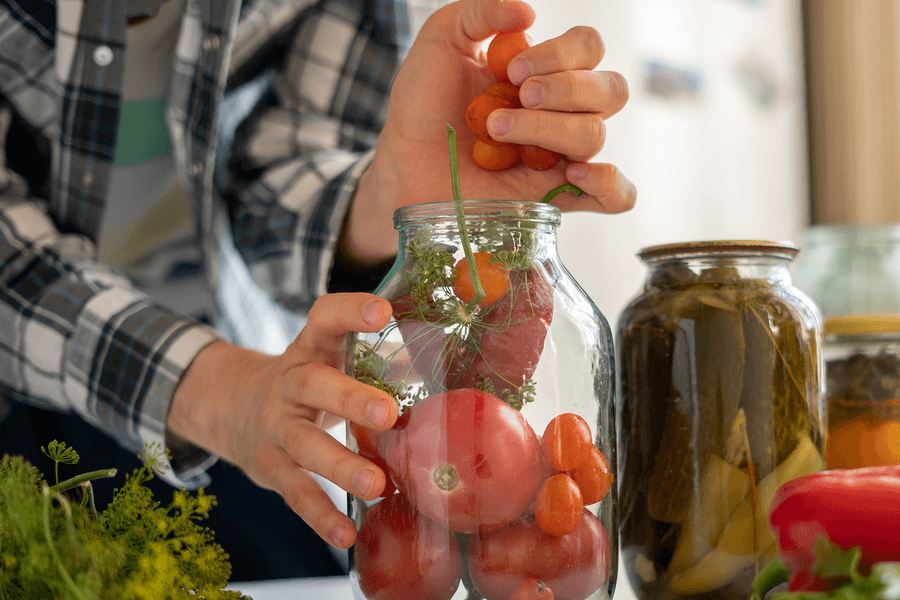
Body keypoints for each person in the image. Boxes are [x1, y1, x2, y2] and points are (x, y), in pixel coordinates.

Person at [0, 0, 635, 580]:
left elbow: (279, 171)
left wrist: (387, 196)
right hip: (45, 378)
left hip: (240, 363)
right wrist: (225, 392)